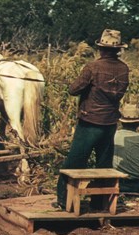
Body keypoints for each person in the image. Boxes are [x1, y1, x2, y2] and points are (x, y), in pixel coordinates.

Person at [55, 29, 130, 210]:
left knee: (75, 162)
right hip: (110, 123)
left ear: (101, 48)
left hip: (90, 122)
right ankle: (100, 203)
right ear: (118, 49)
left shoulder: (92, 67)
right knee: (104, 164)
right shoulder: (124, 68)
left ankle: (64, 201)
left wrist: (72, 83)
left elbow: (73, 90)